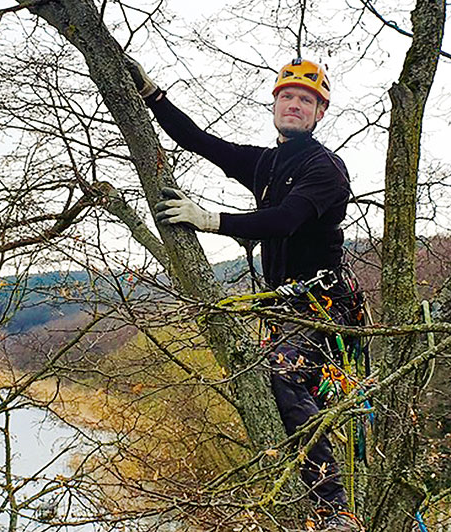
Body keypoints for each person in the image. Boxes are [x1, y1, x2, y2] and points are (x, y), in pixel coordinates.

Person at [127, 56, 363, 531]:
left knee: (283, 379)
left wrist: (212, 220)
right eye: (288, 97)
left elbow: (286, 219)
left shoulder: (325, 168)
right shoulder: (267, 163)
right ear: (275, 105)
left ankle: (335, 510)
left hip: (324, 307)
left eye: (306, 101)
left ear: (320, 114)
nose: (295, 105)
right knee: (288, 406)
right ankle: (311, 505)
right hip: (286, 308)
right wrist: (153, 95)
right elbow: (199, 141)